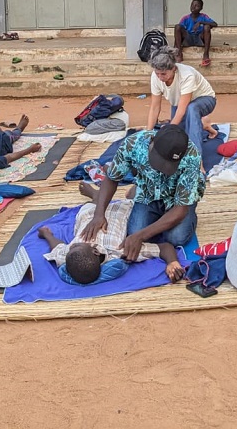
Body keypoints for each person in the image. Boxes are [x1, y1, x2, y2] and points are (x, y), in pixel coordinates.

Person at [81, 124, 204, 257]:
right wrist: (99, 214)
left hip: (177, 200)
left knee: (176, 238)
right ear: (151, 142)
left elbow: (180, 209)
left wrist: (141, 236)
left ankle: (190, 210)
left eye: (168, 165)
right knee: (134, 231)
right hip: (148, 193)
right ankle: (138, 191)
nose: (162, 168)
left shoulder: (192, 156)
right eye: (159, 162)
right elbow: (112, 178)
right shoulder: (133, 144)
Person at [37, 182, 185, 284]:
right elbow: (164, 247)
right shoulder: (120, 251)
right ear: (95, 251)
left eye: (72, 246)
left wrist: (46, 234)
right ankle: (124, 191)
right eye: (75, 246)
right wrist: (172, 262)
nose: (71, 246)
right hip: (120, 212)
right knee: (134, 200)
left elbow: (57, 247)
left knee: (90, 209)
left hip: (88, 215)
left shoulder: (70, 254)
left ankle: (96, 196)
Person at [146, 46, 217, 157]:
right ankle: (204, 125)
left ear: (173, 68)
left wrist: (168, 130)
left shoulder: (187, 75)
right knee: (178, 135)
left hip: (205, 100)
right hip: (179, 105)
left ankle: (197, 158)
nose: (160, 77)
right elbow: (155, 107)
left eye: (163, 74)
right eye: (157, 73)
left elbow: (182, 109)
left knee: (191, 110)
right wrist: (148, 133)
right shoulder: (155, 77)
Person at [174, 0, 217, 66]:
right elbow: (178, 31)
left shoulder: (204, 16)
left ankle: (206, 54)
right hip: (188, 38)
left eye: (197, 6)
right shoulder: (186, 18)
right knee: (177, 26)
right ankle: (179, 53)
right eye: (192, 5)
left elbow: (215, 24)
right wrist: (176, 46)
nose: (193, 7)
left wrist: (201, 22)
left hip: (200, 38)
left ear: (201, 8)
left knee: (207, 27)